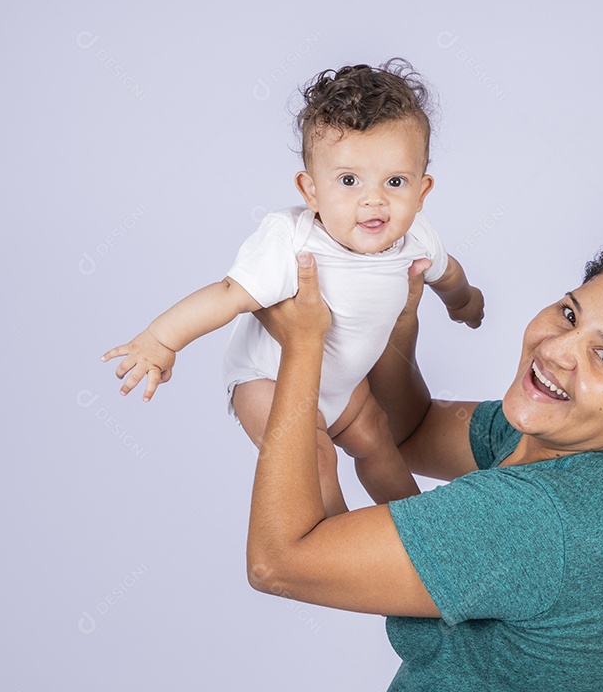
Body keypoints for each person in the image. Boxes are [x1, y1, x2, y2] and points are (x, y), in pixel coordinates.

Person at [246, 238, 603, 690]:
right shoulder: (584, 446)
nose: (559, 350)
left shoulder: (538, 517)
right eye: (570, 314)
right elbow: (413, 429)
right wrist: (399, 317)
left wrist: (303, 344)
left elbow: (277, 562)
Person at [101, 60, 484, 512]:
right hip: (267, 380)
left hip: (342, 385)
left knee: (377, 437)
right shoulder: (292, 240)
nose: (373, 199)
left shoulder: (416, 239)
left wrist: (464, 302)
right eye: (348, 181)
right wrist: (161, 340)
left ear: (422, 191)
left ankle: (418, 527)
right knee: (315, 457)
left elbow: (449, 272)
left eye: (395, 181)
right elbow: (227, 295)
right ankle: (339, 549)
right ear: (311, 191)